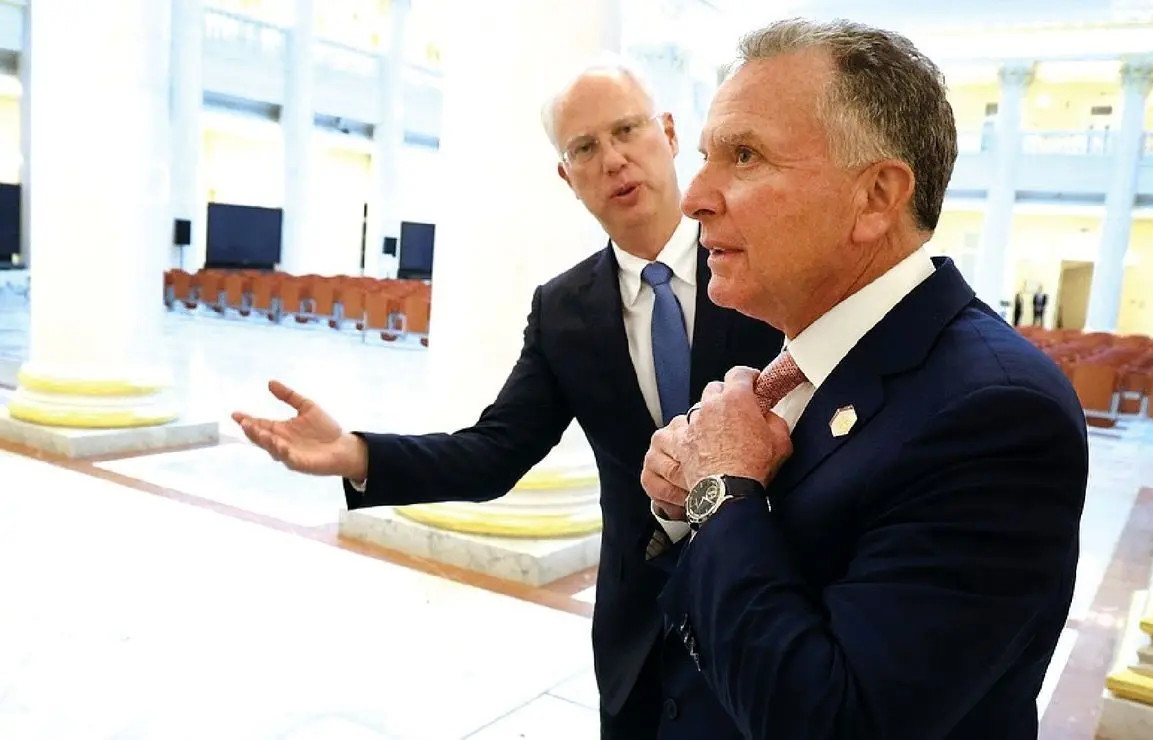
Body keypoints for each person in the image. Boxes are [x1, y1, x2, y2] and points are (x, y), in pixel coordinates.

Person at [232, 58, 782, 739]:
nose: (613, 160)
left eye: (627, 131)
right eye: (585, 147)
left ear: (668, 134)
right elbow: (495, 453)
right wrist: (356, 453)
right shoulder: (564, 309)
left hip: (767, 610)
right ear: (567, 176)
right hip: (639, 636)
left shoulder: (761, 262)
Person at [640, 18, 1088, 740]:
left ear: (877, 196)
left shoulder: (998, 412)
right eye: (705, 157)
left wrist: (720, 489)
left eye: (745, 155)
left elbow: (836, 721)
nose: (693, 196)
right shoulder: (798, 358)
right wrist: (684, 498)